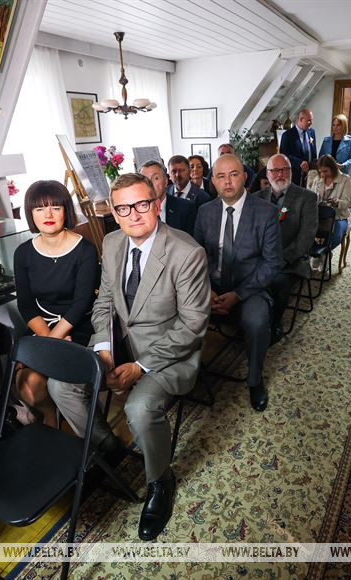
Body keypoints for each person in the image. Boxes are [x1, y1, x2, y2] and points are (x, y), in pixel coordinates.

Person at [80, 173, 210, 540]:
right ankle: (107, 447)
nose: (133, 215)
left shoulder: (187, 253)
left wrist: (139, 366)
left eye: (141, 204)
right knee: (62, 384)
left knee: (139, 409)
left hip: (170, 352)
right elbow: (105, 303)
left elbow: (193, 326)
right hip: (121, 342)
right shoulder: (111, 243)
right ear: (114, 213)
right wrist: (104, 350)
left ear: (156, 204)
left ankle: (160, 480)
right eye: (123, 208)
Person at [194, 154, 282, 412]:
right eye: (221, 176)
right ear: (213, 181)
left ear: (244, 176)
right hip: (211, 287)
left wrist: (238, 294)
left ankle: (255, 380)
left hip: (250, 288)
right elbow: (196, 257)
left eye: (233, 174)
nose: (228, 182)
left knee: (257, 321)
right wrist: (206, 289)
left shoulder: (266, 212)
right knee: (175, 310)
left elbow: (272, 263)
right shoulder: (204, 212)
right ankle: (186, 376)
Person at [13, 181, 99, 428]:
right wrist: (49, 341)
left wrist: (50, 345)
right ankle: (50, 414)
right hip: (42, 327)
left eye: (55, 207)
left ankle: (80, 425)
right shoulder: (23, 253)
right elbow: (26, 305)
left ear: (66, 211)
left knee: (57, 376)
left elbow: (81, 303)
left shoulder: (85, 250)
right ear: (30, 214)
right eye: (39, 209)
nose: (48, 215)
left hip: (78, 325)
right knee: (28, 386)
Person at [254, 154, 317, 343]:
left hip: (290, 261)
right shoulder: (256, 198)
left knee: (277, 282)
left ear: (291, 171)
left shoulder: (307, 198)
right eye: (275, 170)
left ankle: (274, 323)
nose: (280, 174)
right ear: (267, 173)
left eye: (285, 170)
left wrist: (280, 260)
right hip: (260, 259)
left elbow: (305, 238)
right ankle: (253, 322)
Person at [307, 155, 351, 250]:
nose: (323, 174)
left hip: (338, 217)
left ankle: (322, 253)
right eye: (320, 171)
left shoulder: (345, 179)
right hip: (319, 216)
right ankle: (317, 252)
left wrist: (337, 203)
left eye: (325, 171)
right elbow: (311, 198)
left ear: (333, 168)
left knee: (335, 237)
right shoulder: (317, 179)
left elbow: (346, 203)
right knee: (304, 231)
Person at [141, 160, 197, 236]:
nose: (150, 184)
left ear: (166, 181)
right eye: (145, 180)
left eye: (156, 178)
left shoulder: (186, 208)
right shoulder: (134, 211)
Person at [279, 108, 316, 186]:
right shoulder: (287, 135)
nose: (311, 123)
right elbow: (284, 155)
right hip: (295, 176)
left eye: (311, 120)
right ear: (301, 119)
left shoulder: (311, 132)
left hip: (310, 176)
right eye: (309, 120)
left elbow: (313, 153)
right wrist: (299, 163)